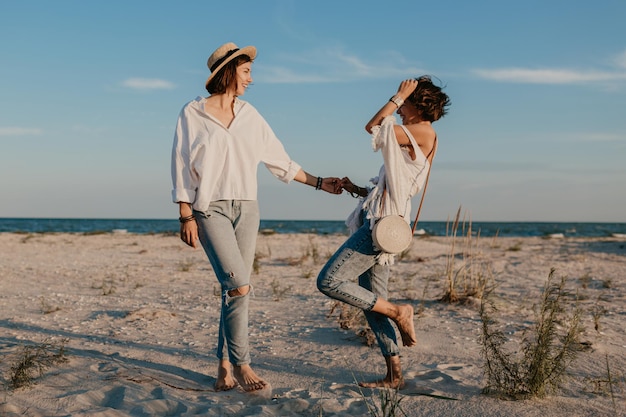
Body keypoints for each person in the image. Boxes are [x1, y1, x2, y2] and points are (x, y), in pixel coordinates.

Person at [171, 42, 341, 393]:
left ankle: (222, 365)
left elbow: (280, 161)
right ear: (228, 71)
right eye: (246, 71)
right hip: (209, 209)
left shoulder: (250, 115)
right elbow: (181, 165)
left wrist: (320, 183)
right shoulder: (192, 113)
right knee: (239, 286)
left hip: (248, 209)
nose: (251, 79)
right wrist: (185, 214)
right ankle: (242, 362)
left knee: (232, 291)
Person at [317, 76, 450, 388]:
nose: (401, 111)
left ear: (419, 106)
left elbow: (373, 127)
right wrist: (355, 188)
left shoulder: (423, 131)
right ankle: (394, 375)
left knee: (329, 281)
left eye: (407, 105)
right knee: (371, 301)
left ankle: (399, 311)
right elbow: (390, 189)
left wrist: (398, 95)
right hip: (379, 220)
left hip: (381, 227)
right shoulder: (414, 133)